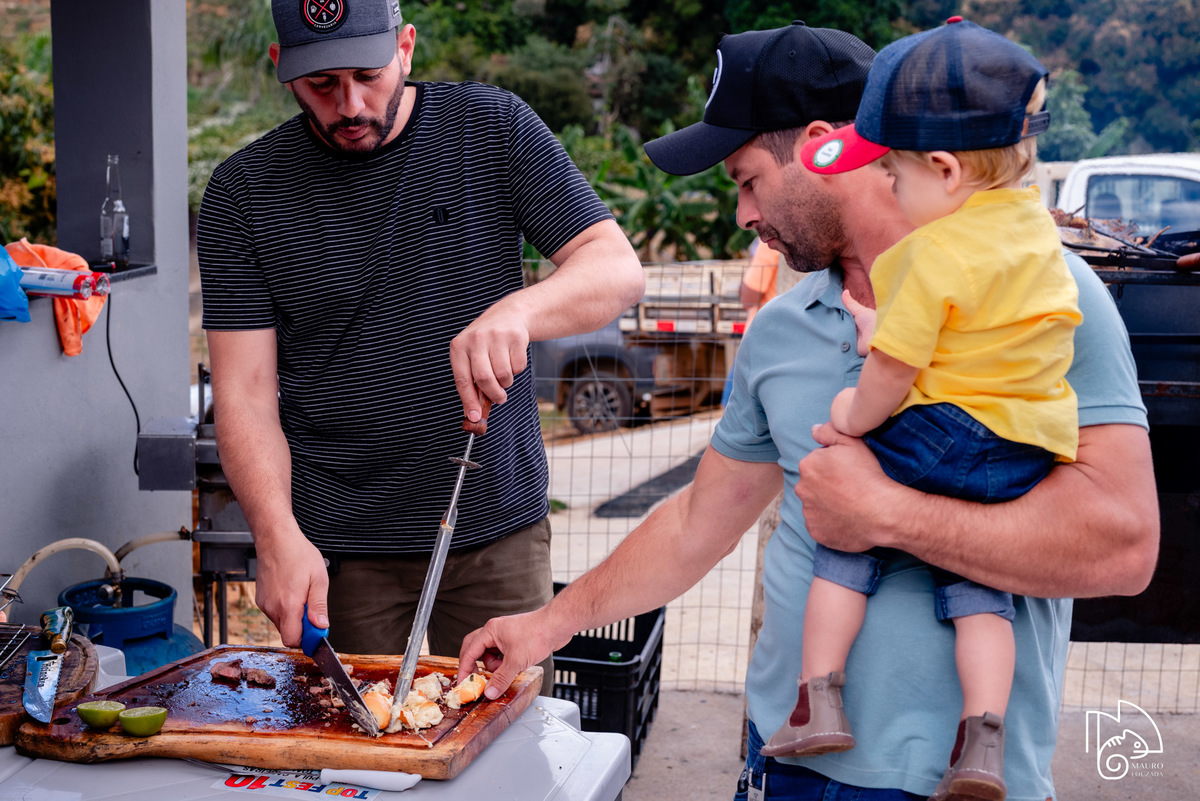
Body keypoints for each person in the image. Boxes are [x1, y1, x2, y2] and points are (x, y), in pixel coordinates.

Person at [458, 21, 1158, 801]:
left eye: (748, 179)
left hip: (942, 785)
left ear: (823, 147)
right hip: (783, 763)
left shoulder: (1046, 295)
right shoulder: (783, 330)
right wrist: (545, 626)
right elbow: (697, 522)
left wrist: (885, 514)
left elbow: (1125, 545)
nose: (741, 215)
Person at [196, 0, 643, 668]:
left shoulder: (491, 127)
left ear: (405, 46)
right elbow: (245, 393)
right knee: (359, 752)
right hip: (340, 550)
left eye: (368, 74)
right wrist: (275, 533)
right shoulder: (243, 194)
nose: (349, 104)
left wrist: (518, 310)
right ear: (281, 70)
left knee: (507, 741)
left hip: (497, 529)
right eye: (322, 84)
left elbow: (614, 267)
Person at [758, 21, 1081, 801]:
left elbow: (894, 371)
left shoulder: (929, 252)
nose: (888, 192)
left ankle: (820, 696)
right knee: (979, 591)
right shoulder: (1037, 232)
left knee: (844, 513)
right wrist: (884, 331)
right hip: (1023, 446)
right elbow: (954, 331)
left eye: (894, 175)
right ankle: (983, 738)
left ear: (941, 168)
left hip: (942, 434)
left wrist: (851, 417)